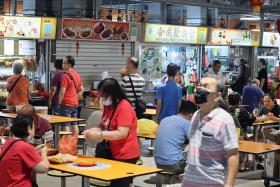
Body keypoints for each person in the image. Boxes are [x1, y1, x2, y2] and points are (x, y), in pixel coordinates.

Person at [82, 78, 139, 187]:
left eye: (103, 95)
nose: (101, 97)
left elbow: (122, 133)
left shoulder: (124, 107)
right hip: (113, 152)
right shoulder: (108, 106)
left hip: (126, 154)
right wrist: (94, 130)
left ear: (113, 93)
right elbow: (104, 125)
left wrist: (99, 135)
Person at [182, 76, 239, 187]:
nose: (200, 89)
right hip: (190, 182)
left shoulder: (225, 119)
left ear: (217, 96)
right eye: (199, 85)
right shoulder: (195, 115)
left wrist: (229, 184)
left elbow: (233, 154)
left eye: (205, 86)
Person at [0, 115, 49, 187]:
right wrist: (44, 152)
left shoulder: (8, 142)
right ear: (29, 128)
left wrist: (34, 151)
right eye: (33, 128)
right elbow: (44, 168)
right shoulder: (25, 147)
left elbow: (18, 156)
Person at [154, 100, 197, 174]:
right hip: (174, 165)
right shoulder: (187, 123)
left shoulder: (165, 120)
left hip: (158, 163)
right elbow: (196, 142)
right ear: (191, 114)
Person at [59, 56, 84, 135]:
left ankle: (67, 145)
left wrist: (59, 102)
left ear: (69, 65)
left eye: (64, 63)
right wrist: (75, 97)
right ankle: (74, 143)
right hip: (75, 104)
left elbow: (62, 91)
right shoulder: (76, 74)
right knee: (74, 124)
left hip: (66, 104)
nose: (62, 64)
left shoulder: (65, 76)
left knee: (66, 124)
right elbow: (82, 89)